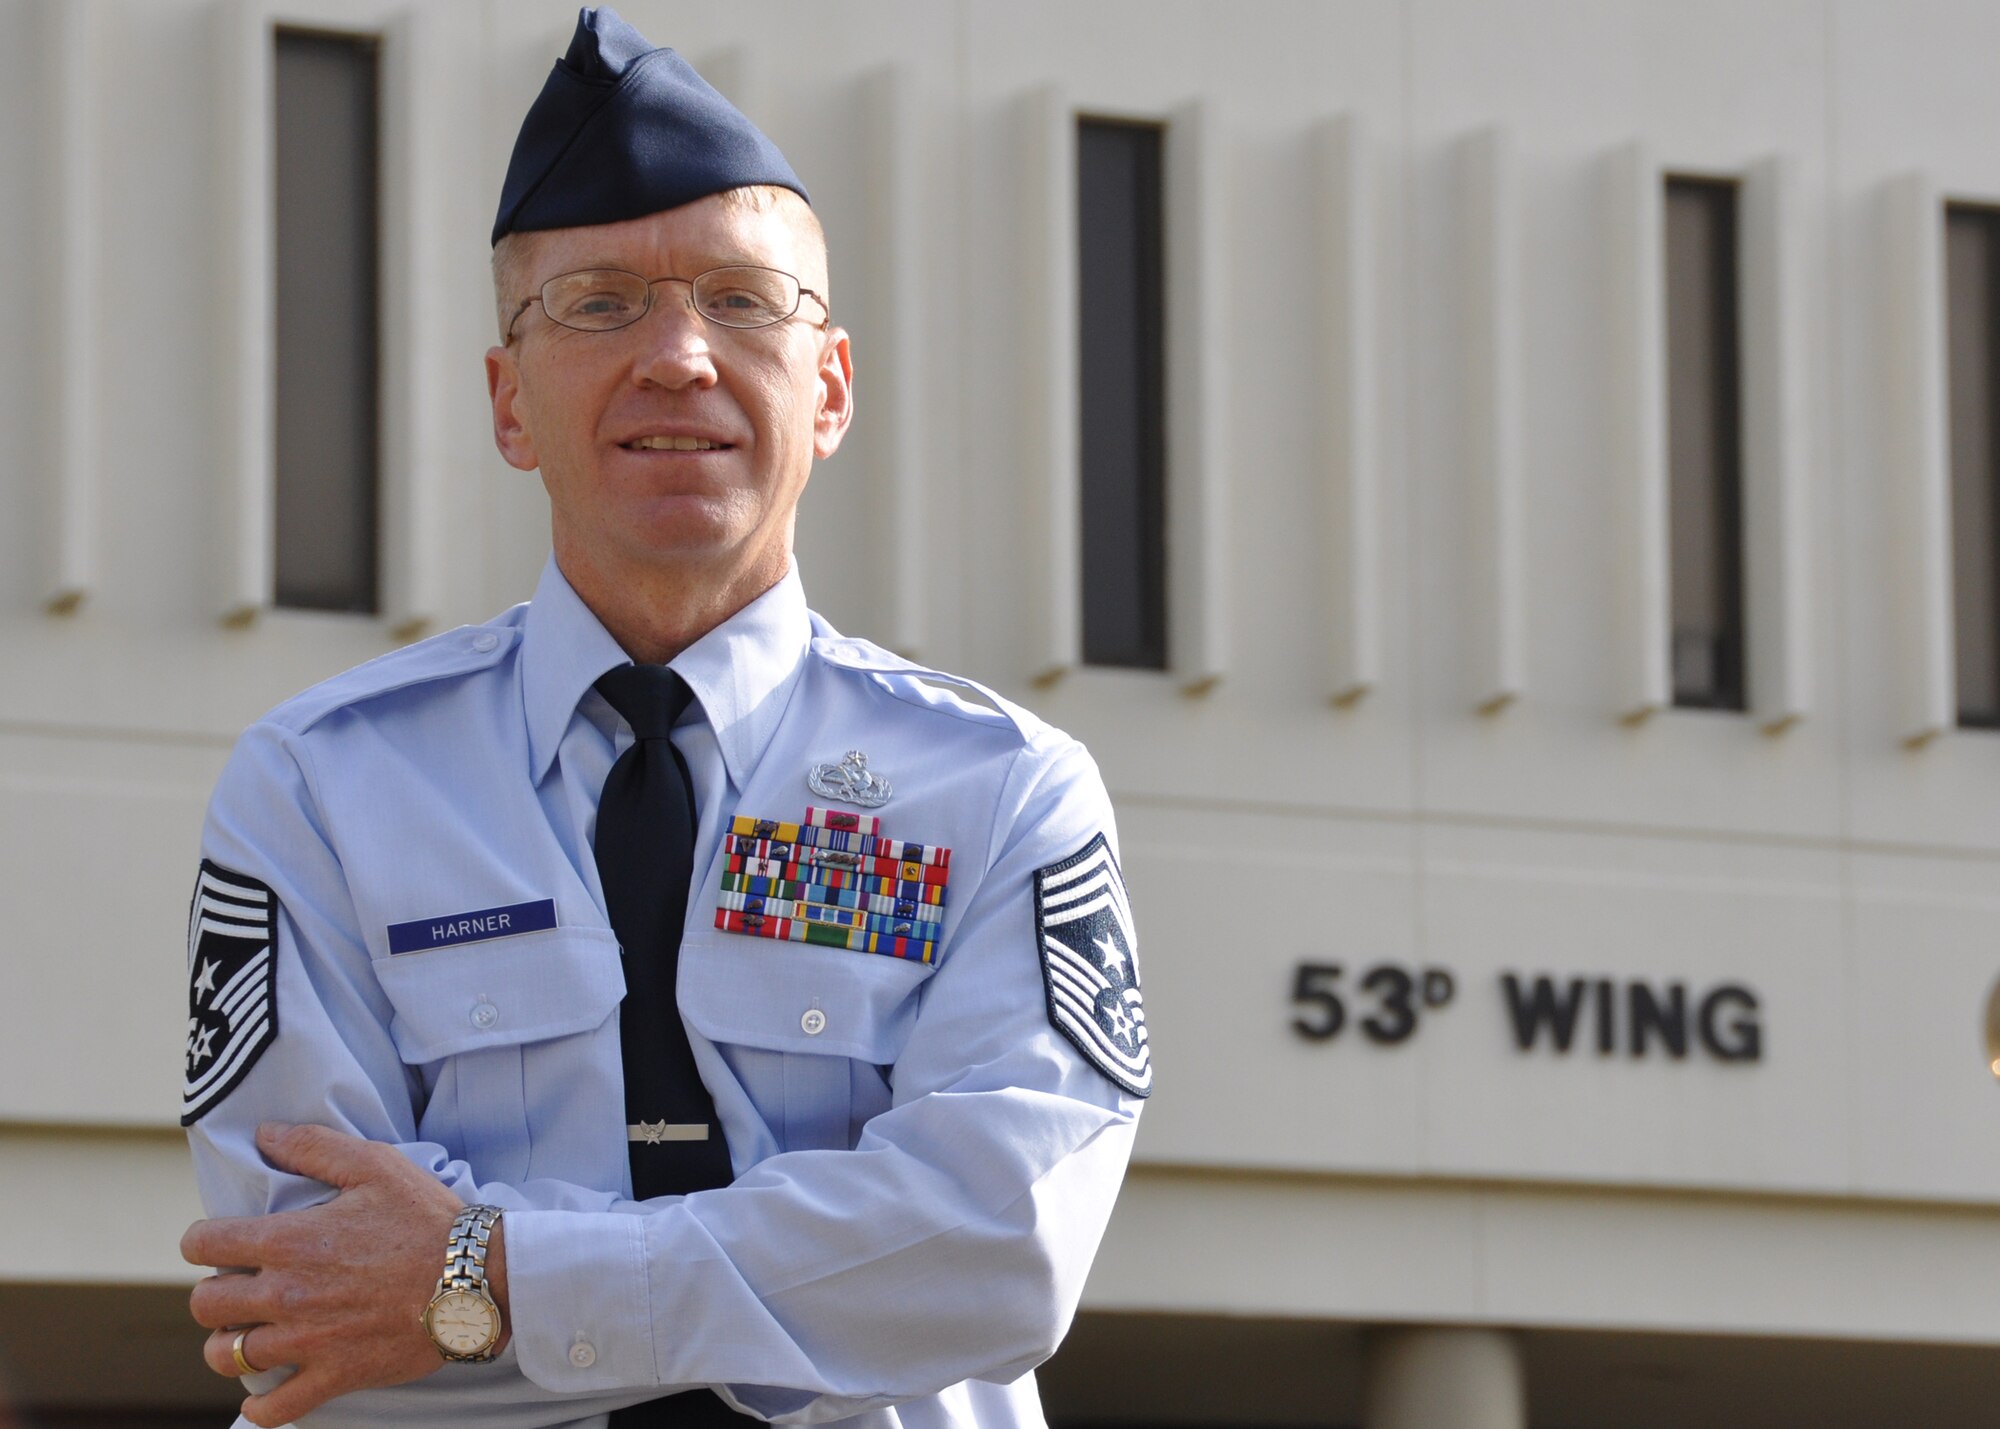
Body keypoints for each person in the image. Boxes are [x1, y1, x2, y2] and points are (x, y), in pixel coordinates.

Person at [176, 8, 1150, 1428]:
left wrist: (483, 1274)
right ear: (509, 400)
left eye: (745, 300)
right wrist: (810, 1278)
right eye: (600, 304)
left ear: (830, 390)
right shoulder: (321, 791)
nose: (681, 355)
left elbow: (995, 1250)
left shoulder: (998, 792)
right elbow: (307, 1285)